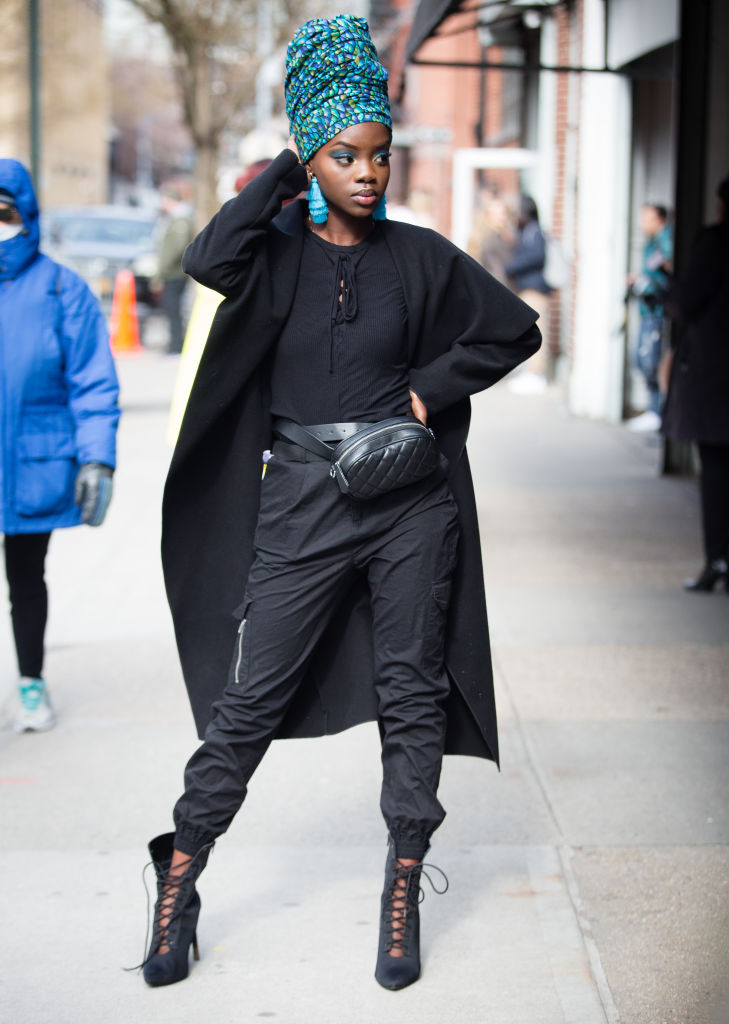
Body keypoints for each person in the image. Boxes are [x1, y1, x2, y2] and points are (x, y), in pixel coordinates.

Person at [138, 16, 540, 993]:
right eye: (343, 155)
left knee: (412, 694)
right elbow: (206, 260)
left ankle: (402, 882)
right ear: (309, 158)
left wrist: (427, 392)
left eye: (380, 156)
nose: (368, 173)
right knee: (250, 701)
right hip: (304, 506)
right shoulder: (272, 253)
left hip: (410, 505)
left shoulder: (420, 256)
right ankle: (180, 867)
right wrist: (284, 166)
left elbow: (513, 329)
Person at [0, 161, 120, 731]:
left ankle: (31, 683)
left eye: (5, 211)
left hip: (35, 463)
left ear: (25, 215)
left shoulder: (60, 289)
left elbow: (92, 381)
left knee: (26, 579)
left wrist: (97, 458)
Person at [661, 174, 729, 592]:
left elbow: (687, 303)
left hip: (717, 374)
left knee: (718, 472)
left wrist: (670, 283)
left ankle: (718, 561)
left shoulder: (716, 242)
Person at [626, 203, 673, 431]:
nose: (642, 223)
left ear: (659, 219)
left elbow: (669, 269)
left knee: (652, 361)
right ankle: (654, 410)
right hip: (648, 310)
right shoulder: (652, 241)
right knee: (642, 359)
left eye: (646, 218)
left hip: (659, 311)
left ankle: (657, 411)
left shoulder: (666, 240)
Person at [505, 194, 552, 393]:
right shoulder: (527, 231)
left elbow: (536, 256)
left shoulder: (536, 232)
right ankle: (530, 372)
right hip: (527, 289)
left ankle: (537, 375)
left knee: (538, 332)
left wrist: (511, 267)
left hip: (536, 290)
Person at [156, 188, 194, 354]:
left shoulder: (181, 220)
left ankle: (176, 344)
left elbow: (177, 247)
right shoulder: (175, 219)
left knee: (173, 308)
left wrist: (163, 268)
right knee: (172, 308)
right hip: (173, 271)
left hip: (175, 272)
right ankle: (176, 342)